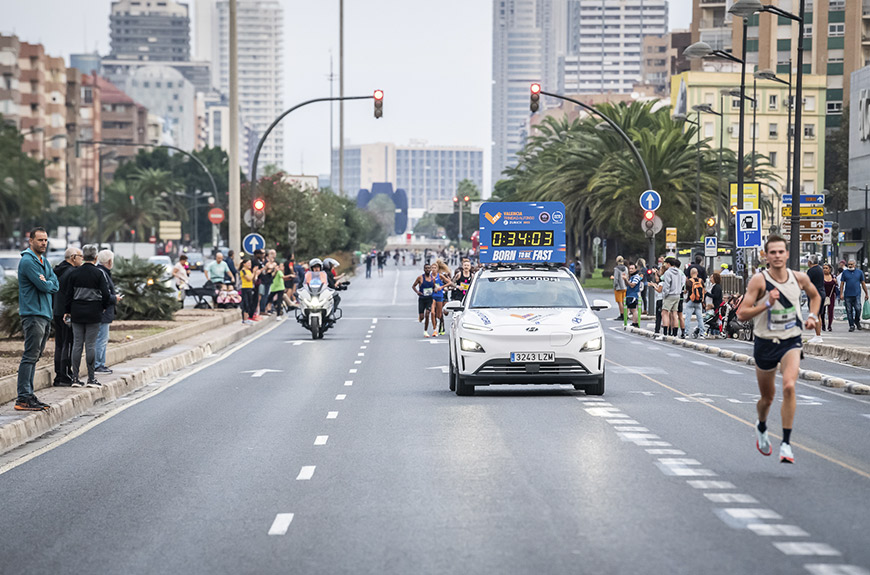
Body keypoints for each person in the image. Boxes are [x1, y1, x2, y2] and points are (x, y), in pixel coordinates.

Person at [736, 235, 820, 464]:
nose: (777, 256)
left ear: (787, 253)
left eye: (781, 252)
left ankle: (785, 443)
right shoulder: (759, 281)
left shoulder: (799, 278)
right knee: (767, 398)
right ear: (766, 255)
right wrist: (765, 304)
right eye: (772, 252)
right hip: (764, 342)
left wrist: (812, 316)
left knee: (789, 386)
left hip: (790, 340)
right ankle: (761, 425)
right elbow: (741, 313)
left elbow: (815, 296)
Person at [15, 228, 59, 411]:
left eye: (46, 240)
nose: (43, 243)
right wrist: (47, 282)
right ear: (30, 240)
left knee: (35, 356)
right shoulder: (28, 261)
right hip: (33, 314)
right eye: (40, 240)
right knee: (30, 355)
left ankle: (29, 394)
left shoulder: (44, 261)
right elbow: (43, 285)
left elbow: (55, 284)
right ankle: (23, 397)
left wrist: (48, 282)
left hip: (44, 314)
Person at [64, 244, 112, 388]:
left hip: (77, 312)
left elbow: (68, 294)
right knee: (90, 345)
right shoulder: (99, 274)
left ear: (83, 257)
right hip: (94, 313)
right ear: (96, 257)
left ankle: (75, 378)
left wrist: (68, 311)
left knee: (77, 344)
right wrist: (103, 308)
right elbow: (106, 294)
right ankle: (91, 379)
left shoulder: (74, 273)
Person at [52, 247, 83, 387]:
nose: (82, 259)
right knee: (67, 343)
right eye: (80, 256)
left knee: (59, 344)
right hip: (66, 313)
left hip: (56, 310)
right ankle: (64, 375)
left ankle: (59, 373)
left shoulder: (57, 271)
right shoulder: (72, 272)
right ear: (73, 257)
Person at [94, 249, 121, 375]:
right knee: (101, 339)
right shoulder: (103, 273)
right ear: (109, 261)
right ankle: (98, 365)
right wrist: (115, 298)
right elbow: (104, 294)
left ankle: (99, 364)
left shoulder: (100, 272)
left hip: (100, 311)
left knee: (100, 338)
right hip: (103, 311)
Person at [839, 259, 868, 332]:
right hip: (847, 295)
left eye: (851, 264)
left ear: (855, 265)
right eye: (849, 264)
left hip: (857, 294)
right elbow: (842, 284)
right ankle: (851, 325)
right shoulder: (845, 273)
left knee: (858, 309)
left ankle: (857, 321)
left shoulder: (859, 272)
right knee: (849, 311)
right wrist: (841, 293)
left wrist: (866, 293)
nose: (850, 266)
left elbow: (863, 283)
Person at [660, 257, 683, 337]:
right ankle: (675, 334)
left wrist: (664, 294)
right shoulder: (680, 272)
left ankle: (665, 333)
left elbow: (667, 285)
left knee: (664, 313)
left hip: (669, 295)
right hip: (677, 295)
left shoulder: (668, 273)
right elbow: (682, 283)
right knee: (674, 313)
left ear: (669, 264)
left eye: (665, 263)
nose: (665, 265)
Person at [805, 255, 825, 344]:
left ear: (810, 262)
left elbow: (806, 282)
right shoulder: (820, 269)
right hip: (821, 293)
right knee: (819, 315)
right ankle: (818, 335)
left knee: (815, 314)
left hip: (814, 295)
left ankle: (818, 335)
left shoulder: (811, 271)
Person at [431, 260, 453, 336]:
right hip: (437, 295)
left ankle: (440, 323)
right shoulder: (433, 275)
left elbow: (450, 282)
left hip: (444, 294)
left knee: (445, 312)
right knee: (437, 313)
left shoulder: (446, 274)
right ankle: (439, 326)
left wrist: (445, 287)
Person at [412, 263, 435, 337]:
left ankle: (425, 331)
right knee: (422, 317)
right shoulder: (420, 278)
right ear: (424, 269)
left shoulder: (432, 279)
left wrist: (435, 290)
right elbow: (413, 286)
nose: (428, 270)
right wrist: (417, 292)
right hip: (422, 299)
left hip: (429, 299)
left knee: (427, 314)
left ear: (431, 269)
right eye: (426, 268)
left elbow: (434, 287)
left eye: (429, 268)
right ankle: (420, 317)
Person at [684, 267, 706, 338]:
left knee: (688, 317)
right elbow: (704, 290)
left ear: (691, 273)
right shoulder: (701, 281)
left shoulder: (689, 281)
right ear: (697, 273)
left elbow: (685, 291)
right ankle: (702, 333)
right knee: (700, 318)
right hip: (699, 301)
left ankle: (686, 333)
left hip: (690, 300)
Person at [622, 263, 644, 328]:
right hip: (629, 295)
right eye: (630, 269)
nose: (630, 270)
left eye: (632, 269)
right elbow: (628, 285)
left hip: (633, 295)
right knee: (632, 309)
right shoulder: (631, 277)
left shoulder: (636, 277)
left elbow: (632, 285)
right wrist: (625, 280)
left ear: (635, 269)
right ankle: (634, 322)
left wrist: (626, 279)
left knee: (633, 310)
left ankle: (635, 323)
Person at [821, 263, 838, 332]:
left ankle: (829, 325)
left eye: (826, 268)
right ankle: (823, 324)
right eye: (824, 268)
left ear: (830, 269)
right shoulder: (821, 277)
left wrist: (836, 282)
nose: (825, 270)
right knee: (822, 311)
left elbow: (837, 286)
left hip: (831, 296)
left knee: (830, 311)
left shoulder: (833, 277)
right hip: (823, 296)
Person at [239, 258, 256, 324]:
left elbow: (253, 278)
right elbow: (249, 278)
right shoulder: (243, 271)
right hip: (245, 288)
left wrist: (254, 273)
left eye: (250, 263)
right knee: (245, 303)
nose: (250, 265)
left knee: (249, 303)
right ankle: (245, 319)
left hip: (250, 288)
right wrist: (254, 272)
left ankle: (247, 318)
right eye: (248, 263)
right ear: (244, 264)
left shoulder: (249, 271)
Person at [612, 256, 628, 320]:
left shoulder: (616, 269)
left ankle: (621, 314)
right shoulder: (626, 268)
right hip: (624, 286)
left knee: (619, 302)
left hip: (618, 287)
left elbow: (616, 279)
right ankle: (625, 313)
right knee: (624, 301)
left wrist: (614, 286)